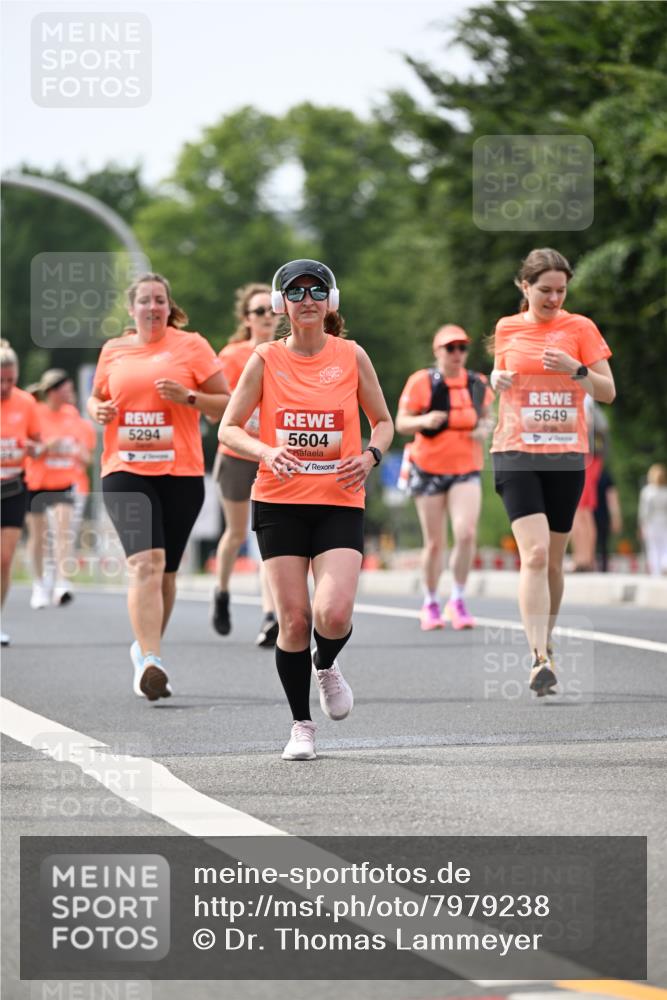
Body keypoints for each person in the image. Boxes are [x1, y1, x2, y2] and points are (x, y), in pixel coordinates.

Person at [219, 259, 393, 760]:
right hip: (278, 501)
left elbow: (383, 421)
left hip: (339, 498)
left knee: (332, 614)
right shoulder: (265, 358)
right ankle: (301, 726)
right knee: (293, 620)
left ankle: (327, 663)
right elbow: (229, 428)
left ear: (330, 301)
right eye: (296, 292)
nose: (307, 299)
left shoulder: (351, 355)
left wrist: (370, 456)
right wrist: (266, 451)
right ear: (282, 305)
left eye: (317, 290)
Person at [87, 272, 230, 700]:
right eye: (145, 301)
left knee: (167, 572)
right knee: (145, 563)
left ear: (170, 308)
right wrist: (98, 410)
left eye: (160, 301)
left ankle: (145, 650)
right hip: (124, 469)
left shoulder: (193, 346)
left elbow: (225, 405)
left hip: (181, 471)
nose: (153, 307)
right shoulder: (113, 350)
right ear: (131, 310)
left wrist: (188, 396)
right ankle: (151, 660)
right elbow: (95, 396)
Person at [489, 248, 615, 695]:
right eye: (545, 290)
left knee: (555, 562)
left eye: (561, 291)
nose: (554, 299)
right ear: (525, 287)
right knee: (536, 554)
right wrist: (495, 380)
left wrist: (576, 369)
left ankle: (547, 643)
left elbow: (608, 391)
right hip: (515, 451)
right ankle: (538, 656)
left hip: (565, 456)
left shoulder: (580, 328)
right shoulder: (507, 327)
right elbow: (500, 375)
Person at [396, 325, 494, 630]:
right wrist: (424, 419)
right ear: (437, 351)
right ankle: (430, 601)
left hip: (465, 467)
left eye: (461, 348)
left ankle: (458, 598)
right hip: (428, 468)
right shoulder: (422, 382)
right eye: (449, 348)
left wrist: (484, 428)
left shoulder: (477, 384)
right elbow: (401, 423)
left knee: (465, 533)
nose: (456, 354)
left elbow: (490, 417)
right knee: (435, 542)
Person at [211, 283, 280, 647]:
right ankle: (221, 592)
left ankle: (270, 615)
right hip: (238, 455)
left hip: (272, 455)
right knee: (237, 533)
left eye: (271, 310)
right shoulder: (233, 355)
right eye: (258, 312)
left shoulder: (287, 353)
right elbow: (222, 407)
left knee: (266, 536)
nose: (266, 317)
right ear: (246, 318)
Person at [25, 369, 83, 608]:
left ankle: (62, 582)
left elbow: (79, 444)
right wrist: (48, 445)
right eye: (65, 390)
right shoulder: (35, 412)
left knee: (62, 531)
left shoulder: (71, 414)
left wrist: (77, 451)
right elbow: (27, 447)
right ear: (51, 392)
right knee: (38, 537)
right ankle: (39, 584)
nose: (70, 394)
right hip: (36, 481)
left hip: (63, 480)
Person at [0, 340, 41, 645]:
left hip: (13, 486)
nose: (5, 386)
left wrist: (32, 448)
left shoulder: (26, 403)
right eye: (0, 380)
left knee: (4, 558)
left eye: (11, 381)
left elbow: (40, 446)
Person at [638, 463, 667, 576]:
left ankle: (656, 571)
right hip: (664, 521)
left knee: (653, 547)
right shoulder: (665, 491)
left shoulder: (647, 492)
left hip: (651, 522)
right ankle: (664, 564)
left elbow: (644, 511)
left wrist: (641, 525)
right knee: (665, 545)